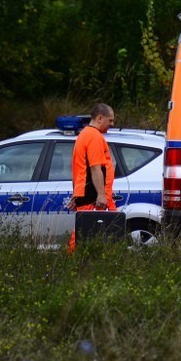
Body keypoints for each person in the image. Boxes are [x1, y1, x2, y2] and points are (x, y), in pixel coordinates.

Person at [66, 103, 116, 253]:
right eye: (110, 120)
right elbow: (95, 168)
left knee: (106, 231)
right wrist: (101, 195)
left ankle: (91, 265)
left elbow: (80, 169)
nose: (112, 124)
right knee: (84, 236)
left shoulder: (85, 134)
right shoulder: (94, 136)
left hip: (89, 193)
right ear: (100, 118)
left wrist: (77, 194)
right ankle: (72, 264)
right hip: (94, 195)